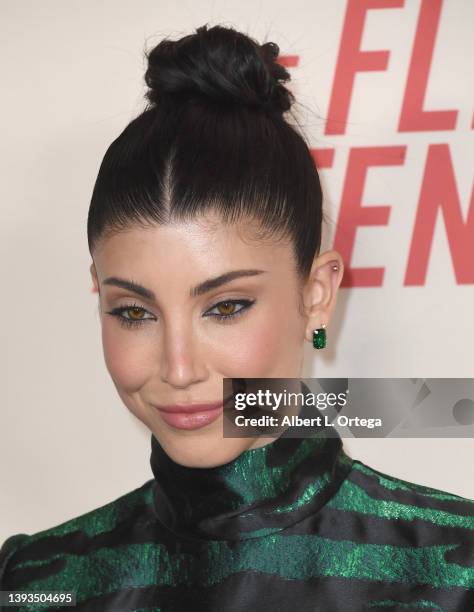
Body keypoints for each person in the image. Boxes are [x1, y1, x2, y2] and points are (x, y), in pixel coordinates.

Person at [1, 23, 473, 612]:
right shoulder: (37, 585)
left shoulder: (455, 573)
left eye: (226, 307)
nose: (179, 368)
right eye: (133, 311)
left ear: (318, 294)